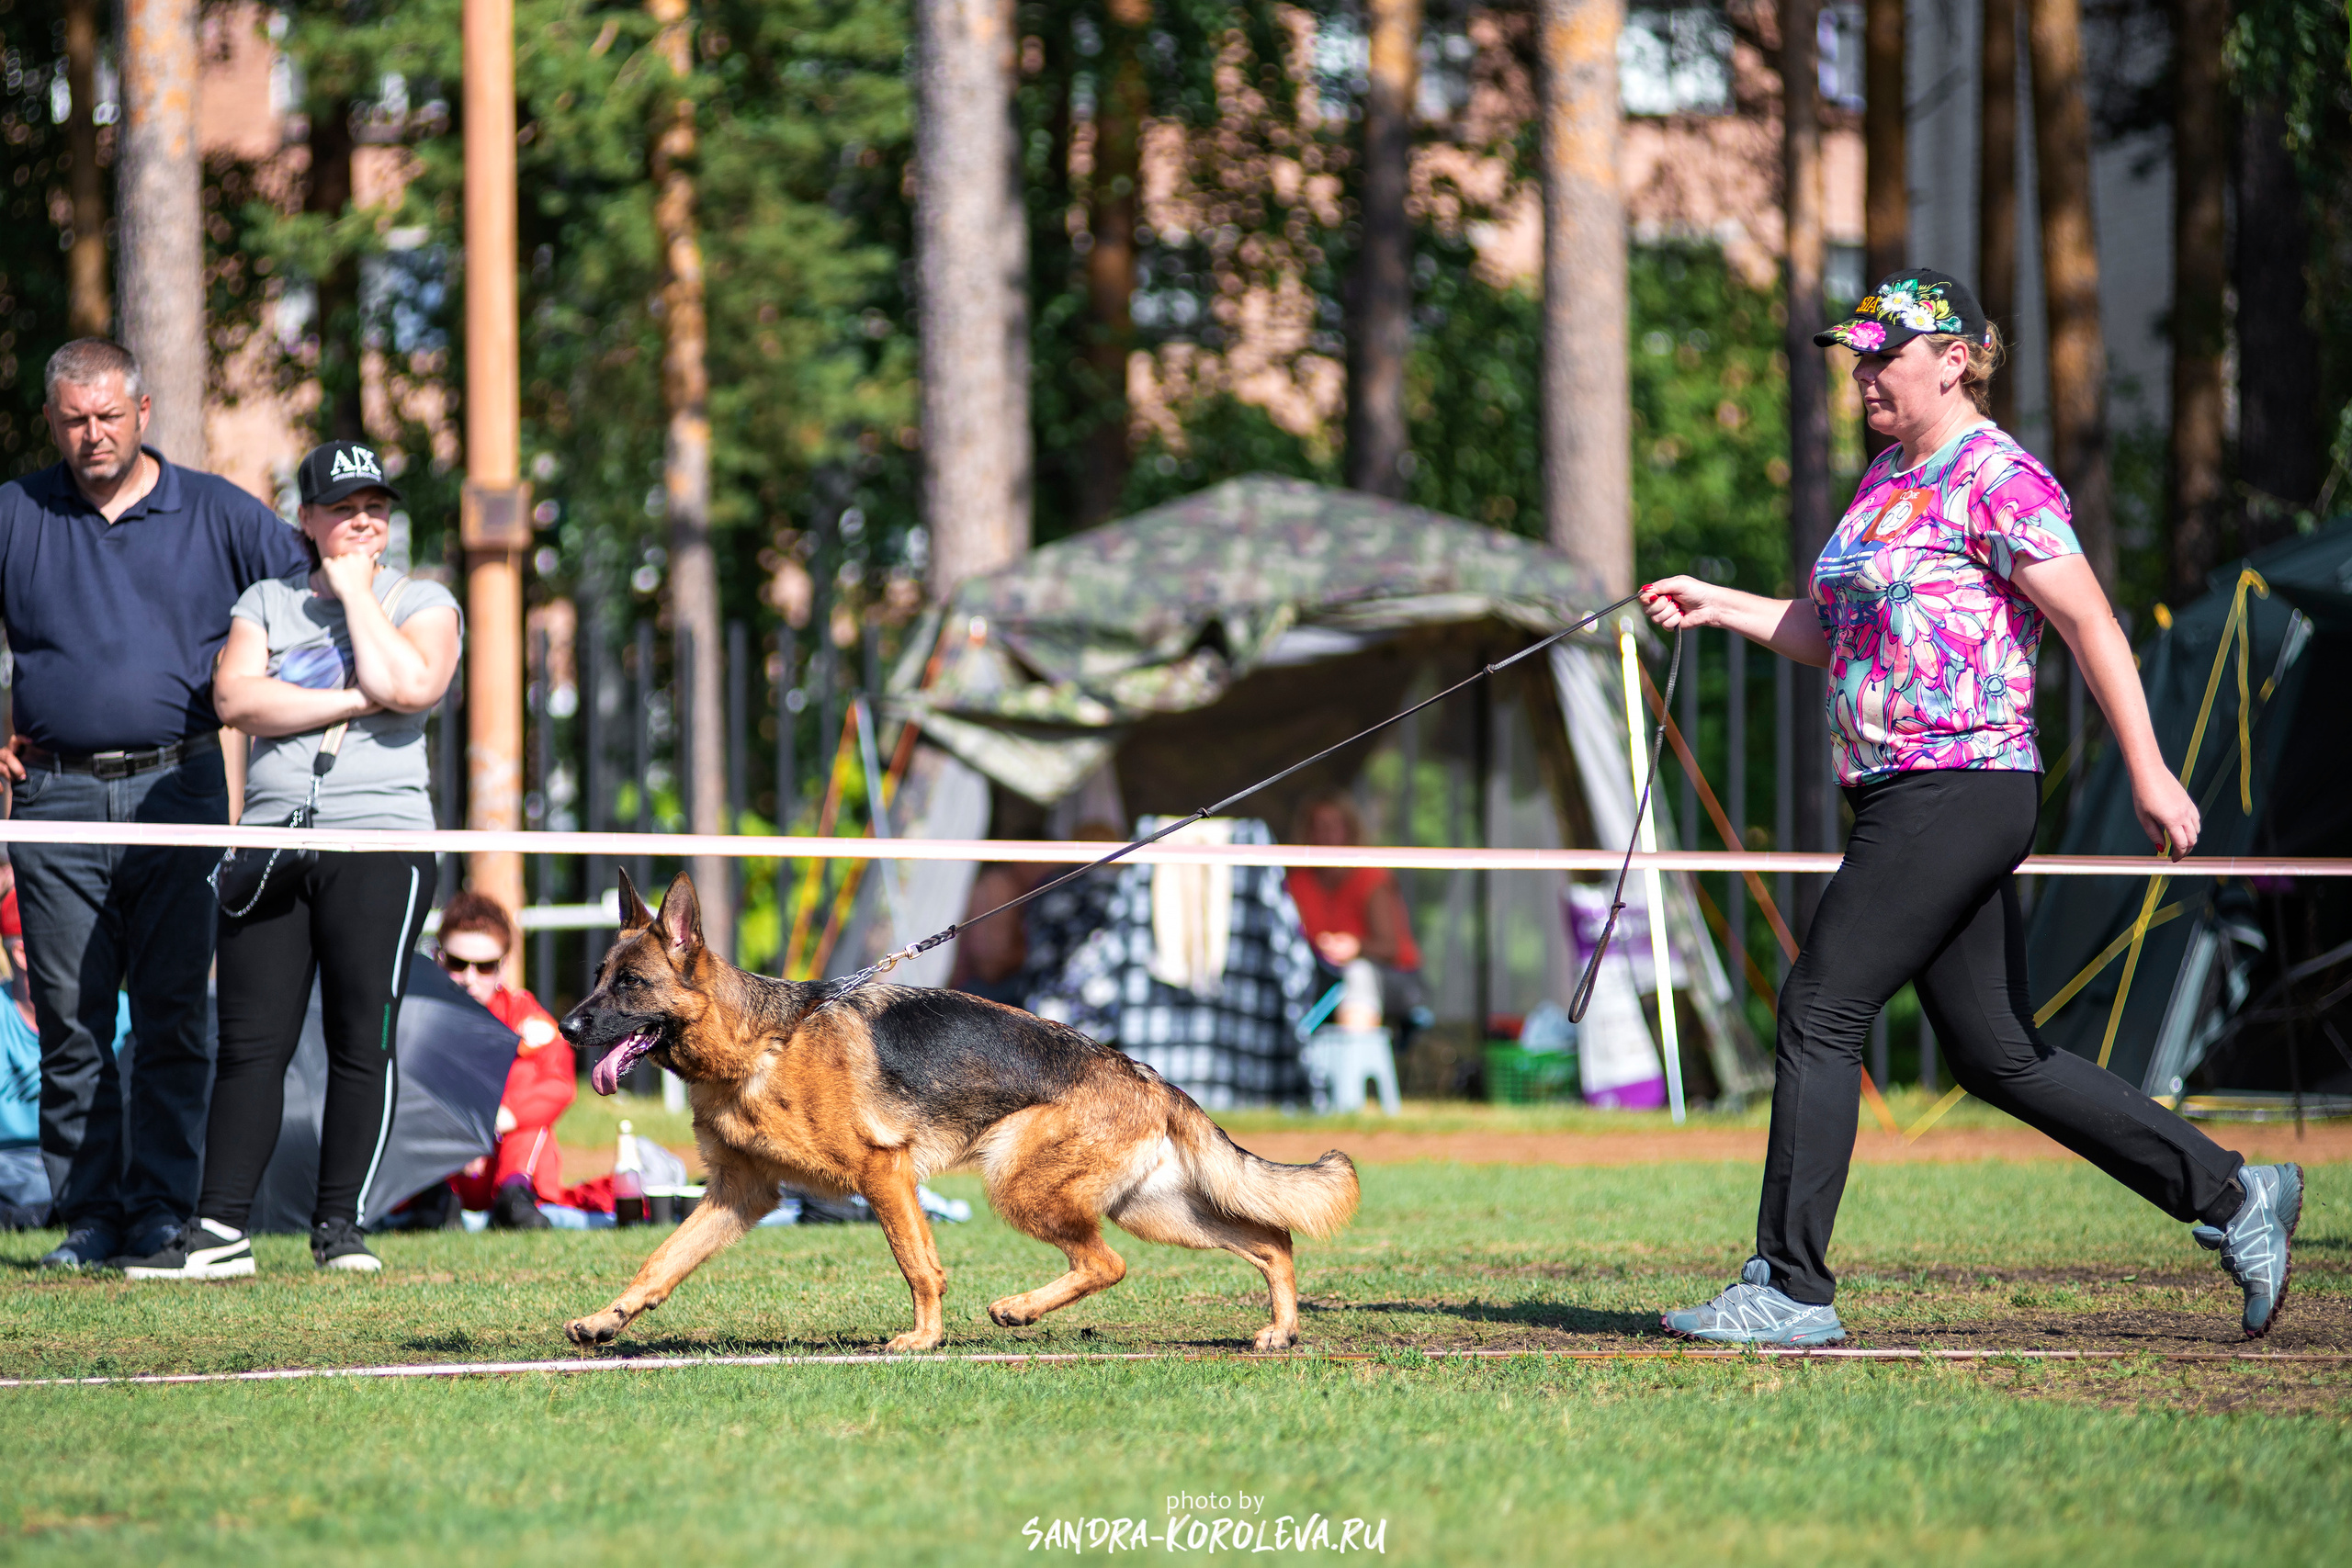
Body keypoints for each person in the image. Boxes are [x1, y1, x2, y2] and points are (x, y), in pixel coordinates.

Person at [1642, 269, 2299, 1345]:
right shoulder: (1885, 479)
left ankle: (1791, 1289)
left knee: (1820, 1006)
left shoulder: (1999, 476)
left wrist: (2147, 766)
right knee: (1998, 1056)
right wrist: (1719, 606)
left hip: (1961, 783)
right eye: (1857, 359)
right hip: (1898, 792)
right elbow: (1828, 631)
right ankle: (2234, 1195)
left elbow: (2089, 624)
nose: (1863, 376)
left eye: (1884, 357)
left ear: (1954, 361)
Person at [116, 440, 460, 1280]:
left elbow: (415, 685)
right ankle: (219, 1231)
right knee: (249, 1042)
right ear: (306, 520)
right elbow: (236, 697)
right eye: (342, 508)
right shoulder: (265, 599)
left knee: (359, 1039)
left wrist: (352, 594)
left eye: (374, 505)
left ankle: (340, 1227)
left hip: (380, 843)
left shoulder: (423, 599)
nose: (361, 520)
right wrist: (352, 697)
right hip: (272, 841)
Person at [0, 340, 311, 1270]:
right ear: (52, 422)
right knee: (71, 1016)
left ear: (142, 412)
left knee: (176, 1012)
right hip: (52, 800)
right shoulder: (16, 512)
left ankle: (164, 1214)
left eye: (106, 416)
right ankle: (90, 1217)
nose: (91, 435)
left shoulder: (215, 510)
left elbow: (311, 597)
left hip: (180, 786)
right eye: (72, 421)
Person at [435, 891, 573, 1230]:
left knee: (529, 1077)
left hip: (504, 1160)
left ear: (503, 966)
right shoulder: (423, 1012)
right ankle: (434, 1200)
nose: (469, 978)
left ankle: (514, 1197)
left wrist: (498, 1117)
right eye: (457, 963)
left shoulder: (521, 1014)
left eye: (484, 967)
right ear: (439, 958)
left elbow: (560, 1084)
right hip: (442, 1161)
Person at [1285, 795, 1424, 1032]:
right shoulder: (1297, 883)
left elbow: (1391, 949)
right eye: (1318, 827)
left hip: (1394, 978)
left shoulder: (1372, 878)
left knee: (1358, 974)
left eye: (1334, 827)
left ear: (1350, 831)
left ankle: (1353, 1059)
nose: (1326, 836)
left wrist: (1356, 947)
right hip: (1324, 977)